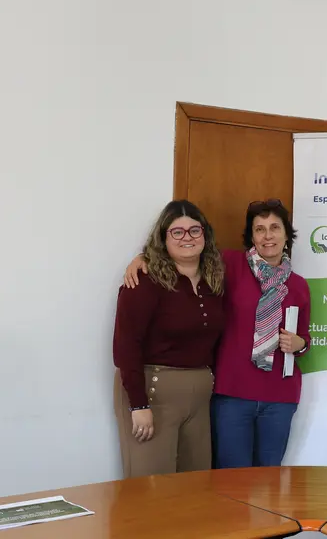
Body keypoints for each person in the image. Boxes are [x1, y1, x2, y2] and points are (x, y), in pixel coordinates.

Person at [124, 199, 311, 468]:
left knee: (269, 479)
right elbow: (184, 251)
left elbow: (305, 339)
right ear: (251, 237)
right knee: (230, 482)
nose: (268, 236)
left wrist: (300, 344)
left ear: (286, 234)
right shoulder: (230, 265)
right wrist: (142, 259)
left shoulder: (299, 286)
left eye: (275, 228)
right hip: (233, 393)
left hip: (280, 395)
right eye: (259, 229)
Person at [112, 199, 226, 478]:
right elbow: (126, 346)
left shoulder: (216, 278)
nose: (187, 237)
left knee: (194, 487)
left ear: (205, 235)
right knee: (151, 488)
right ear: (163, 238)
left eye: (194, 230)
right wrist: (139, 405)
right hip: (154, 393)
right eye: (177, 231)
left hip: (199, 400)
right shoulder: (144, 281)